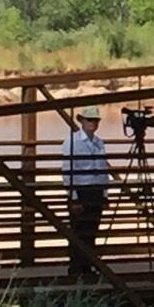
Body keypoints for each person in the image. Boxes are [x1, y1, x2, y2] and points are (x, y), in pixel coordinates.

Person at [63, 105, 110, 280]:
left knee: (92, 231)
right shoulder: (72, 142)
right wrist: (74, 197)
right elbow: (68, 171)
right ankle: (76, 268)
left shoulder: (99, 142)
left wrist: (105, 194)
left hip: (96, 191)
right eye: (89, 119)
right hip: (81, 191)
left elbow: (103, 169)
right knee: (79, 231)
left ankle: (87, 267)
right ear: (81, 120)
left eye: (95, 120)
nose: (93, 123)